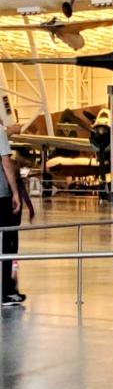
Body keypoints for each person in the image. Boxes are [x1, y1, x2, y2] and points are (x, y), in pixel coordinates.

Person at [0, 122, 24, 308]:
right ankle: (5, 291)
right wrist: (15, 192)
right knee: (6, 243)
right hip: (1, 196)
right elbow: (6, 163)